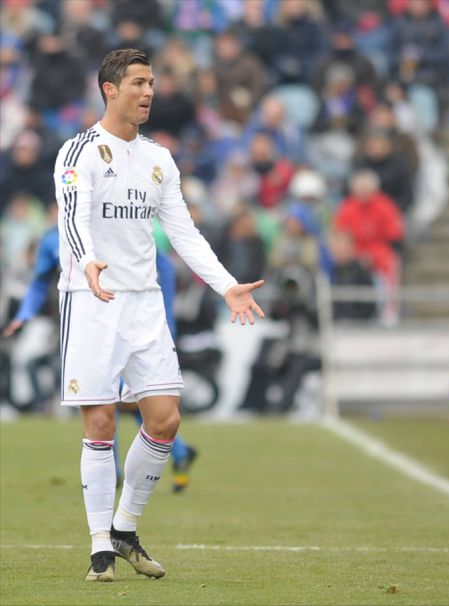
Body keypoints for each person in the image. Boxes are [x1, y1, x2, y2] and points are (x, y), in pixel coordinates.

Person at [54, 49, 264, 582]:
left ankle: (124, 528)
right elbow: (74, 218)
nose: (148, 92)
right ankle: (100, 547)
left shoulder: (159, 159)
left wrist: (226, 285)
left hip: (145, 302)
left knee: (166, 419)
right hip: (93, 299)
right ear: (110, 89)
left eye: (151, 83)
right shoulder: (79, 151)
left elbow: (184, 232)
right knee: (101, 422)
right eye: (138, 83)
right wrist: (87, 261)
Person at [1, 223, 199, 493]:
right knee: (110, 399)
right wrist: (25, 314)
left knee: (122, 398)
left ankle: (119, 470)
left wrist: (166, 319)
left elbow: (162, 266)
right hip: (87, 328)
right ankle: (175, 453)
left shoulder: (115, 224)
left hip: (131, 323)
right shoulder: (52, 239)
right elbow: (39, 280)